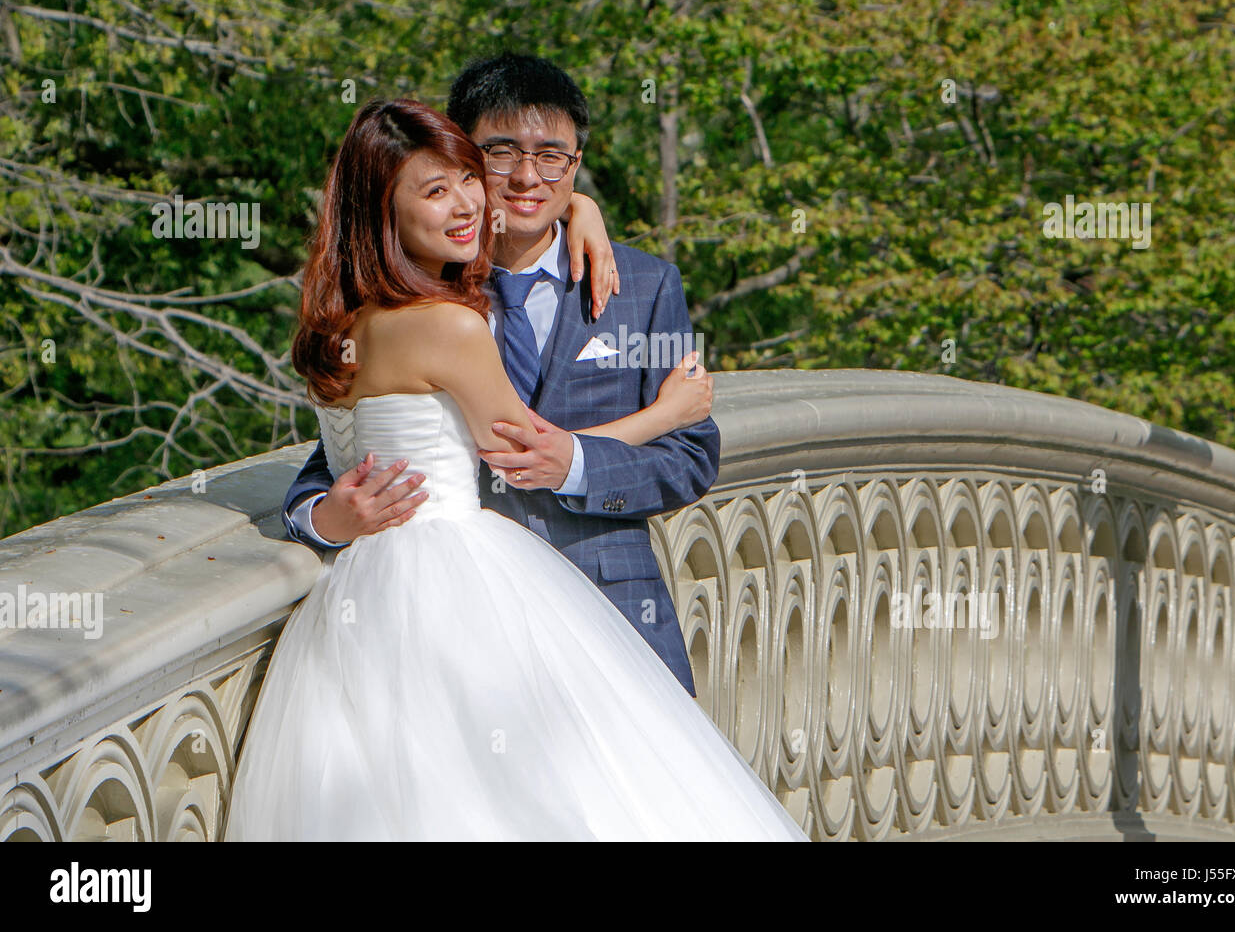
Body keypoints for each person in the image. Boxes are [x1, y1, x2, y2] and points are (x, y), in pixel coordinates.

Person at [224, 97, 806, 840]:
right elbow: (521, 447)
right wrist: (669, 408)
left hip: (399, 606)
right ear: (384, 210)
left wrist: (577, 211)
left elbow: (687, 463)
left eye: (467, 180)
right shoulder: (455, 316)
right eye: (447, 185)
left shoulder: (337, 324)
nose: (473, 199)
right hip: (481, 599)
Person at [280, 53, 712, 695]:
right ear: (463, 155)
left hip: (616, 613)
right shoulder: (422, 296)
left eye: (553, 157)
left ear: (576, 165)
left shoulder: (646, 286)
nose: (527, 177)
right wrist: (319, 516)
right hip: (465, 630)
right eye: (501, 154)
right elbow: (342, 457)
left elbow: (691, 459)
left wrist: (577, 467)